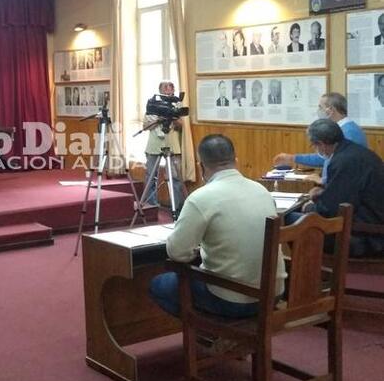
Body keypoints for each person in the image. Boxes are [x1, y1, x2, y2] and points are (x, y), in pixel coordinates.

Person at [149, 134, 285, 318]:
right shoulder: (261, 191)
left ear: (201, 166)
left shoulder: (201, 197)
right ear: (235, 161)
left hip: (232, 299)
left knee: (159, 285)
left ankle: (210, 330)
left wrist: (196, 251)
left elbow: (176, 253)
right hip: (273, 295)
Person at [296, 119, 384, 257]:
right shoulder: (355, 152)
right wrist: (320, 195)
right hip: (371, 222)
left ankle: (303, 273)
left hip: (367, 236)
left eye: (314, 145)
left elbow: (331, 210)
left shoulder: (343, 161)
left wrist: (310, 207)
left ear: (321, 144)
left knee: (293, 222)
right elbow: (346, 193)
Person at [273, 93, 367, 183]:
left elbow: (331, 158)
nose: (318, 111)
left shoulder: (348, 132)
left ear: (330, 110)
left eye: (320, 107)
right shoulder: (346, 128)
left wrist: (294, 158)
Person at [143, 81, 185, 210]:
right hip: (154, 145)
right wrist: (159, 117)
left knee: (174, 177)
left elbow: (181, 125)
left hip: (172, 145)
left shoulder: (177, 104)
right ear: (160, 91)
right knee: (151, 175)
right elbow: (145, 126)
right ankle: (151, 203)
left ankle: (177, 207)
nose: (168, 90)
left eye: (170, 88)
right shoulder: (153, 104)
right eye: (165, 88)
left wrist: (173, 116)